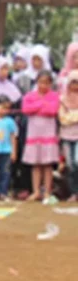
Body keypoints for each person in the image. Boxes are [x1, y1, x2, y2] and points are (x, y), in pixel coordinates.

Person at [21, 70, 60, 204]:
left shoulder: (55, 96)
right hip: (34, 135)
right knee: (36, 164)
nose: (43, 85)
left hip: (48, 134)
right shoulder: (29, 95)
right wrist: (41, 103)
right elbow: (26, 109)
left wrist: (38, 106)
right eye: (41, 82)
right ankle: (36, 191)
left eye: (47, 83)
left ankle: (47, 191)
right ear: (36, 82)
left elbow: (53, 110)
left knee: (47, 165)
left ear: (51, 84)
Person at [59, 70, 78, 201]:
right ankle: (73, 193)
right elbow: (62, 119)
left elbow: (67, 117)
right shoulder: (62, 99)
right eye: (73, 83)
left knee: (77, 162)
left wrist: (70, 116)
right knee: (70, 165)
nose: (75, 86)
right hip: (66, 136)